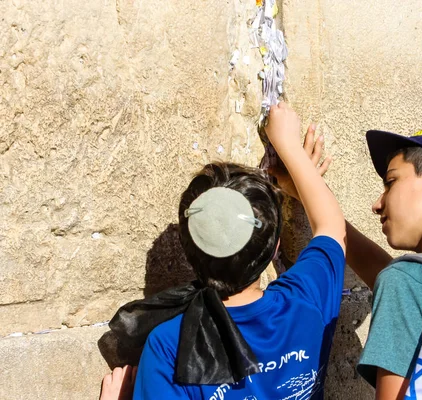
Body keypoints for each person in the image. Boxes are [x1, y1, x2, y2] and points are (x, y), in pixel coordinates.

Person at [102, 102, 346, 400]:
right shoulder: (305, 299)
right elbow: (332, 227)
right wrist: (289, 147)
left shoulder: (169, 346)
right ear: (274, 248)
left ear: (189, 250)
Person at [272, 122, 422, 398]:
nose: (377, 204)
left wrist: (288, 146)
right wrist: (304, 188)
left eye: (390, 182)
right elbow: (387, 271)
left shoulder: (405, 283)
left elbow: (398, 280)